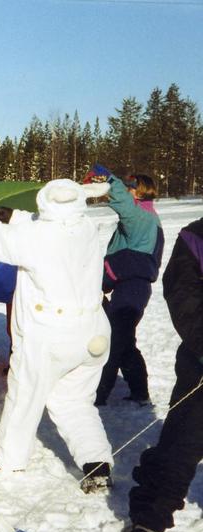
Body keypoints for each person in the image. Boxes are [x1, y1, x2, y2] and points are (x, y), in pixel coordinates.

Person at [0, 179, 115, 493]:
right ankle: (97, 463)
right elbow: (50, 224)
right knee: (75, 401)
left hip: (50, 335)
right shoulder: (86, 228)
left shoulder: (36, 237)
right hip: (92, 333)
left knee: (25, 398)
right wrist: (15, 216)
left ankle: (8, 460)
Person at [122, 217, 203, 532]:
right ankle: (153, 513)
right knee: (183, 440)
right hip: (200, 361)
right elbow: (183, 293)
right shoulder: (196, 236)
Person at [84, 166, 164, 407]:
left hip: (133, 289)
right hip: (129, 287)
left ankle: (97, 395)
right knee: (125, 342)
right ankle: (139, 392)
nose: (126, 190)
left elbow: (123, 204)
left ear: (139, 193)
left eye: (130, 187)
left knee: (113, 342)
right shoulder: (144, 218)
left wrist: (109, 179)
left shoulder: (141, 217)